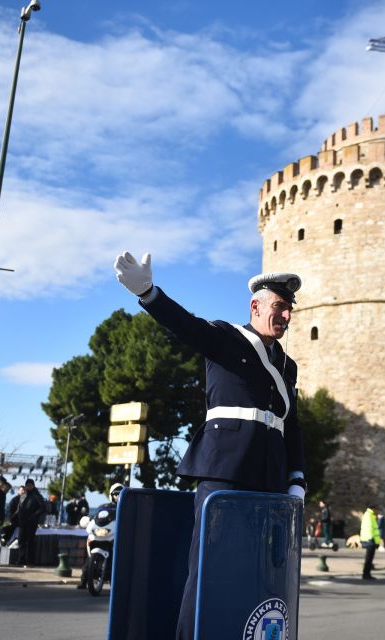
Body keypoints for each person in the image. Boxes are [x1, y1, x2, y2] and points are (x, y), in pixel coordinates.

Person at [115, 251, 306, 640]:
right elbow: (184, 326)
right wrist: (149, 294)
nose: (286, 316)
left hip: (270, 479)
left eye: (289, 310)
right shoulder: (226, 338)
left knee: (257, 573)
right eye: (280, 307)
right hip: (225, 472)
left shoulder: (288, 366)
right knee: (207, 571)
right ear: (256, 305)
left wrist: (297, 477)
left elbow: (293, 427)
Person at [78, 483, 123, 589]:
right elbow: (96, 517)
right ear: (111, 495)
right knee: (89, 559)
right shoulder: (105, 507)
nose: (117, 496)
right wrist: (89, 521)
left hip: (115, 535)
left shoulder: (125, 507)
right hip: (102, 534)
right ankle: (84, 580)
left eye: (120, 494)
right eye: (116, 494)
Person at [16, 479, 45, 567]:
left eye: (30, 485)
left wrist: (33, 516)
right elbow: (19, 507)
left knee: (30, 541)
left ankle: (30, 560)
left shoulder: (37, 495)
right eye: (27, 485)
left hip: (31, 522)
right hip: (22, 521)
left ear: (33, 485)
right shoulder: (23, 495)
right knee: (21, 540)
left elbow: (42, 508)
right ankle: (21, 559)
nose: (28, 487)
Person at [360, 503, 382, 580]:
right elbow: (369, 529)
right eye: (376, 509)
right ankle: (366, 574)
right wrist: (372, 540)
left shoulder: (370, 515)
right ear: (373, 508)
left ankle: (367, 573)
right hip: (370, 540)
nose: (377, 511)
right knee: (368, 559)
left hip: (371, 540)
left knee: (369, 559)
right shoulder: (369, 516)